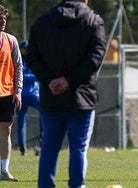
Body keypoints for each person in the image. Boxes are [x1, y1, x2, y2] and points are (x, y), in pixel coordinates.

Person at [26, 0, 106, 187]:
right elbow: (95, 58)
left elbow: (32, 58)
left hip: (50, 97)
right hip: (81, 98)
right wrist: (68, 80)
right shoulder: (93, 21)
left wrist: (49, 80)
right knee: (78, 148)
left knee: (49, 148)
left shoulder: (42, 22)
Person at [0, 4, 23, 181]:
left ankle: (4, 170)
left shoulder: (11, 41)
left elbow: (18, 67)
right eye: (0, 19)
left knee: (6, 131)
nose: (2, 22)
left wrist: (19, 91)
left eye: (4, 19)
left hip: (7, 92)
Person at [16, 40, 42, 156]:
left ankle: (42, 137)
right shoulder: (18, 59)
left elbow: (38, 75)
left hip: (33, 93)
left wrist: (28, 76)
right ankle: (22, 147)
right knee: (21, 121)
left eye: (28, 48)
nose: (26, 50)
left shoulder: (34, 59)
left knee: (45, 109)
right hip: (21, 95)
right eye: (24, 48)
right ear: (21, 49)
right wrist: (33, 76)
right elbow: (18, 75)